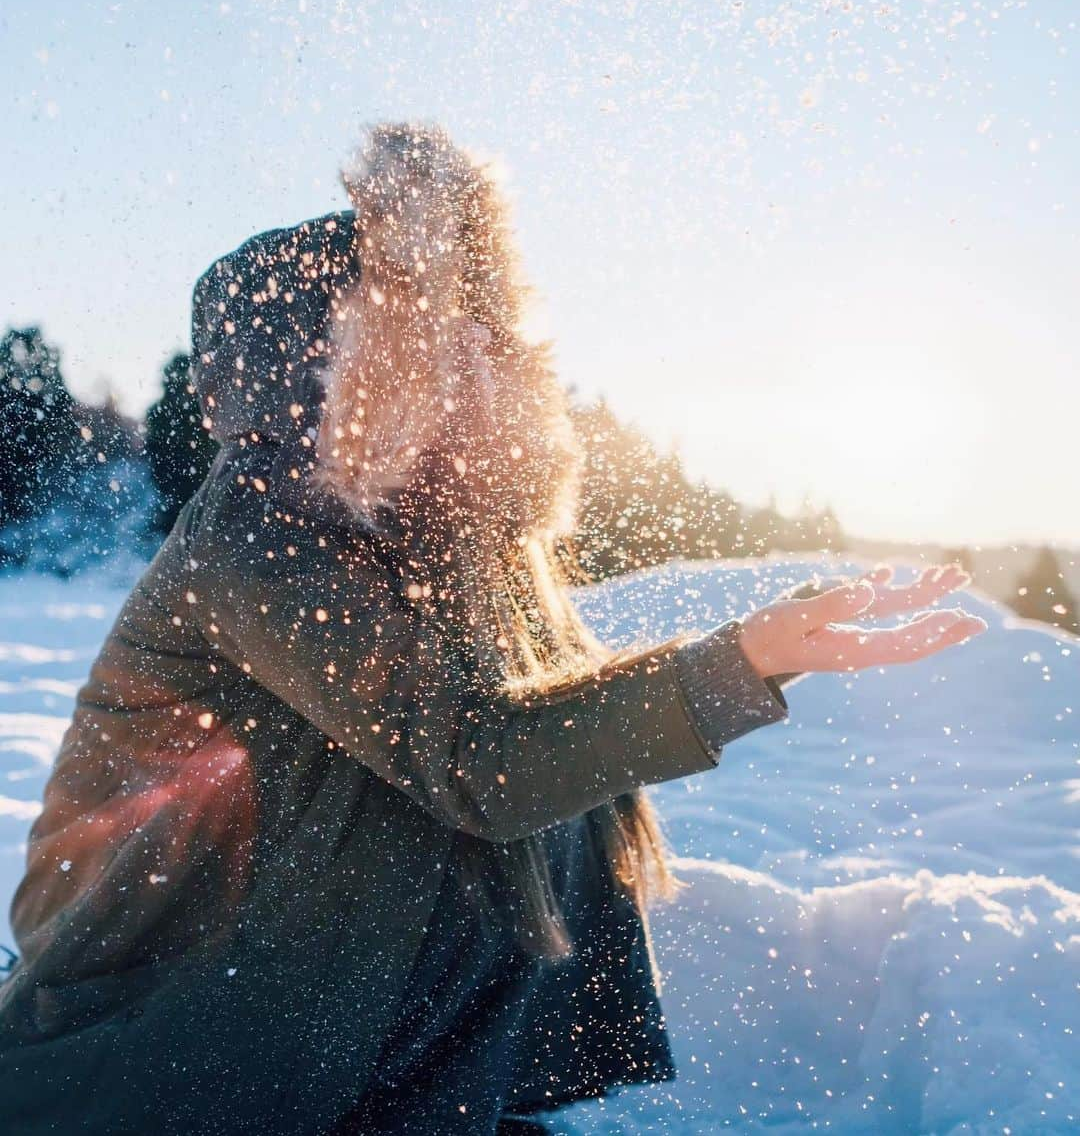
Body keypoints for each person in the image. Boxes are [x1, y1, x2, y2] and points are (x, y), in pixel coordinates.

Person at [0, 123, 986, 1135]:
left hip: (369, 1048)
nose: (466, 351)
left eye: (474, 326)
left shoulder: (457, 533)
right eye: (426, 330)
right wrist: (747, 661)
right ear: (333, 358)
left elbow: (562, 755)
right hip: (162, 1029)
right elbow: (477, 758)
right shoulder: (262, 531)